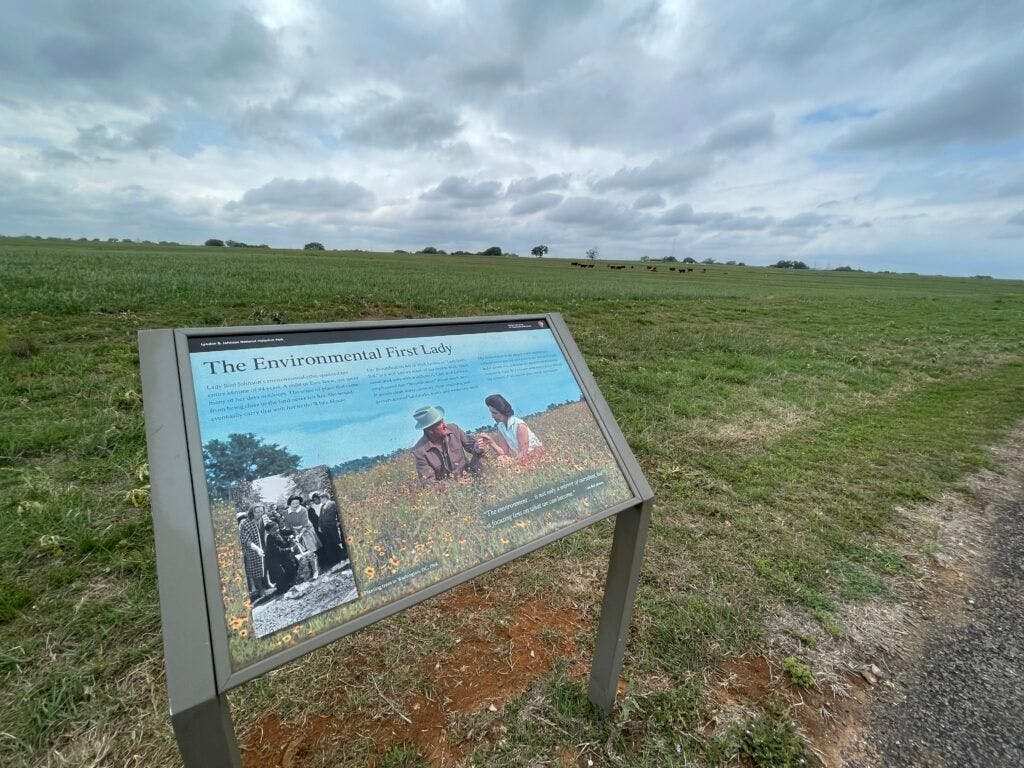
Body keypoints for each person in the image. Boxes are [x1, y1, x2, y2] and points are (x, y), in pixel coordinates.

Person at [411, 405, 484, 489]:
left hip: (471, 477)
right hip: (450, 492)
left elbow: (472, 446)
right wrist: (455, 484)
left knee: (482, 459)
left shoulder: (454, 429)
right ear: (430, 430)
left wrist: (477, 448)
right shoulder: (419, 451)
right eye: (439, 424)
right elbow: (429, 484)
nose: (445, 425)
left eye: (443, 421)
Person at [477, 394, 544, 463]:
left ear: (503, 411)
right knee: (501, 459)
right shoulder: (501, 427)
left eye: (495, 413)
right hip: (523, 459)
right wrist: (491, 442)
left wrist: (511, 462)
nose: (492, 416)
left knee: (502, 461)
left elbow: (524, 453)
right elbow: (504, 453)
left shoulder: (519, 425)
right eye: (491, 413)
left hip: (536, 457)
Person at [282, 494, 321, 579]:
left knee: (310, 551)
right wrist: (292, 535)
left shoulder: (303, 510)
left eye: (297, 503)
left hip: (306, 529)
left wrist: (300, 535)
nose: (295, 505)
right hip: (295, 532)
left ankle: (315, 571)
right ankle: (307, 571)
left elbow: (305, 524)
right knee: (300, 553)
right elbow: (288, 525)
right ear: (289, 503)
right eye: (293, 503)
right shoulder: (285, 512)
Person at [263, 520, 299, 595]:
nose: (276, 531)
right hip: (273, 560)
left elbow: (287, 533)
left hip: (281, 557)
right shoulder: (270, 540)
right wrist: (291, 549)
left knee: (290, 565)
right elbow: (278, 550)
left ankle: (291, 582)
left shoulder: (279, 532)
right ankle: (282, 588)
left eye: (277, 528)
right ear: (268, 532)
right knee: (280, 575)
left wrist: (293, 533)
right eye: (274, 530)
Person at [310, 491, 345, 568]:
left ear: (324, 498)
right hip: (324, 528)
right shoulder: (321, 507)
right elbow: (320, 518)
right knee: (330, 543)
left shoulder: (332, 503)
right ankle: (336, 559)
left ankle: (342, 557)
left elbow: (339, 512)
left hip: (332, 526)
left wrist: (338, 521)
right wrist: (319, 526)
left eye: (320, 498)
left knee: (337, 541)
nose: (319, 500)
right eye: (316, 499)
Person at [236, 510, 265, 600]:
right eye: (240, 519)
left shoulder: (252, 525)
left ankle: (261, 588)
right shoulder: (238, 529)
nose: (243, 520)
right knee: (249, 573)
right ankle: (254, 590)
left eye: (244, 518)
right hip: (244, 554)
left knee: (257, 570)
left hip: (253, 551)